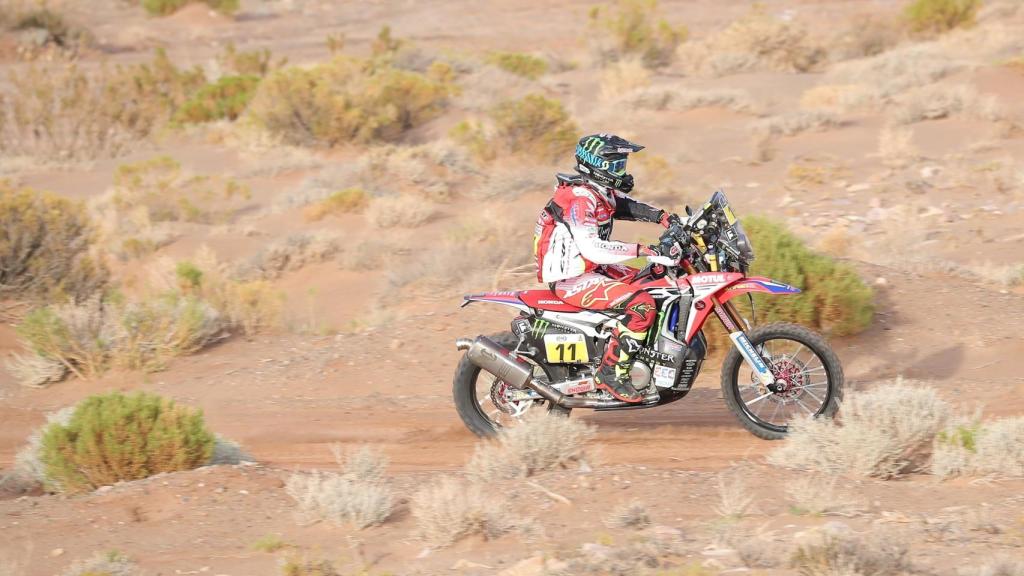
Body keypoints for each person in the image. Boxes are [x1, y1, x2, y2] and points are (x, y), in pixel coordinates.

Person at [533, 134, 679, 403]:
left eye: (622, 165)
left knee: (652, 281)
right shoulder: (579, 199)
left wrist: (665, 218)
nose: (621, 172)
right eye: (615, 166)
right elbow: (593, 249)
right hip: (572, 278)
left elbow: (623, 205)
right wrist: (645, 250)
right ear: (594, 164)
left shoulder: (596, 191)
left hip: (590, 269)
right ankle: (610, 374)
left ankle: (634, 355)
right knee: (642, 305)